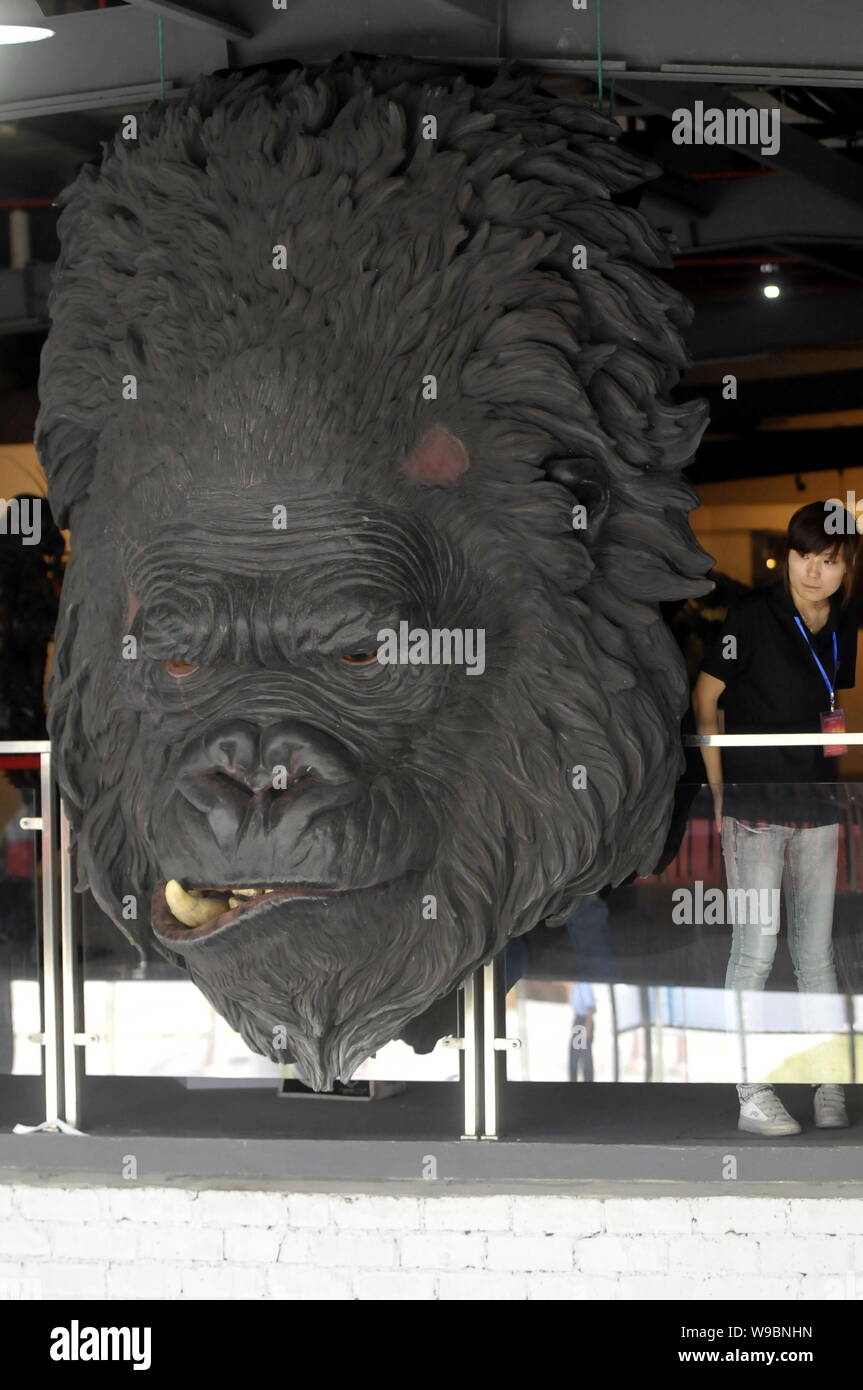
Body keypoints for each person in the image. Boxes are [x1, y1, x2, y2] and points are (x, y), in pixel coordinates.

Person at [692, 501, 859, 1136]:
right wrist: (718, 786)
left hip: (818, 805)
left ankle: (827, 1083)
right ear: (787, 556)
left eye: (830, 560)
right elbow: (706, 696)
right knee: (756, 951)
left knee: (816, 955)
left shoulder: (841, 623)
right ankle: (750, 1092)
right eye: (804, 556)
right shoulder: (752, 618)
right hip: (757, 809)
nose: (814, 571)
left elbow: (828, 705)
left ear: (846, 568)